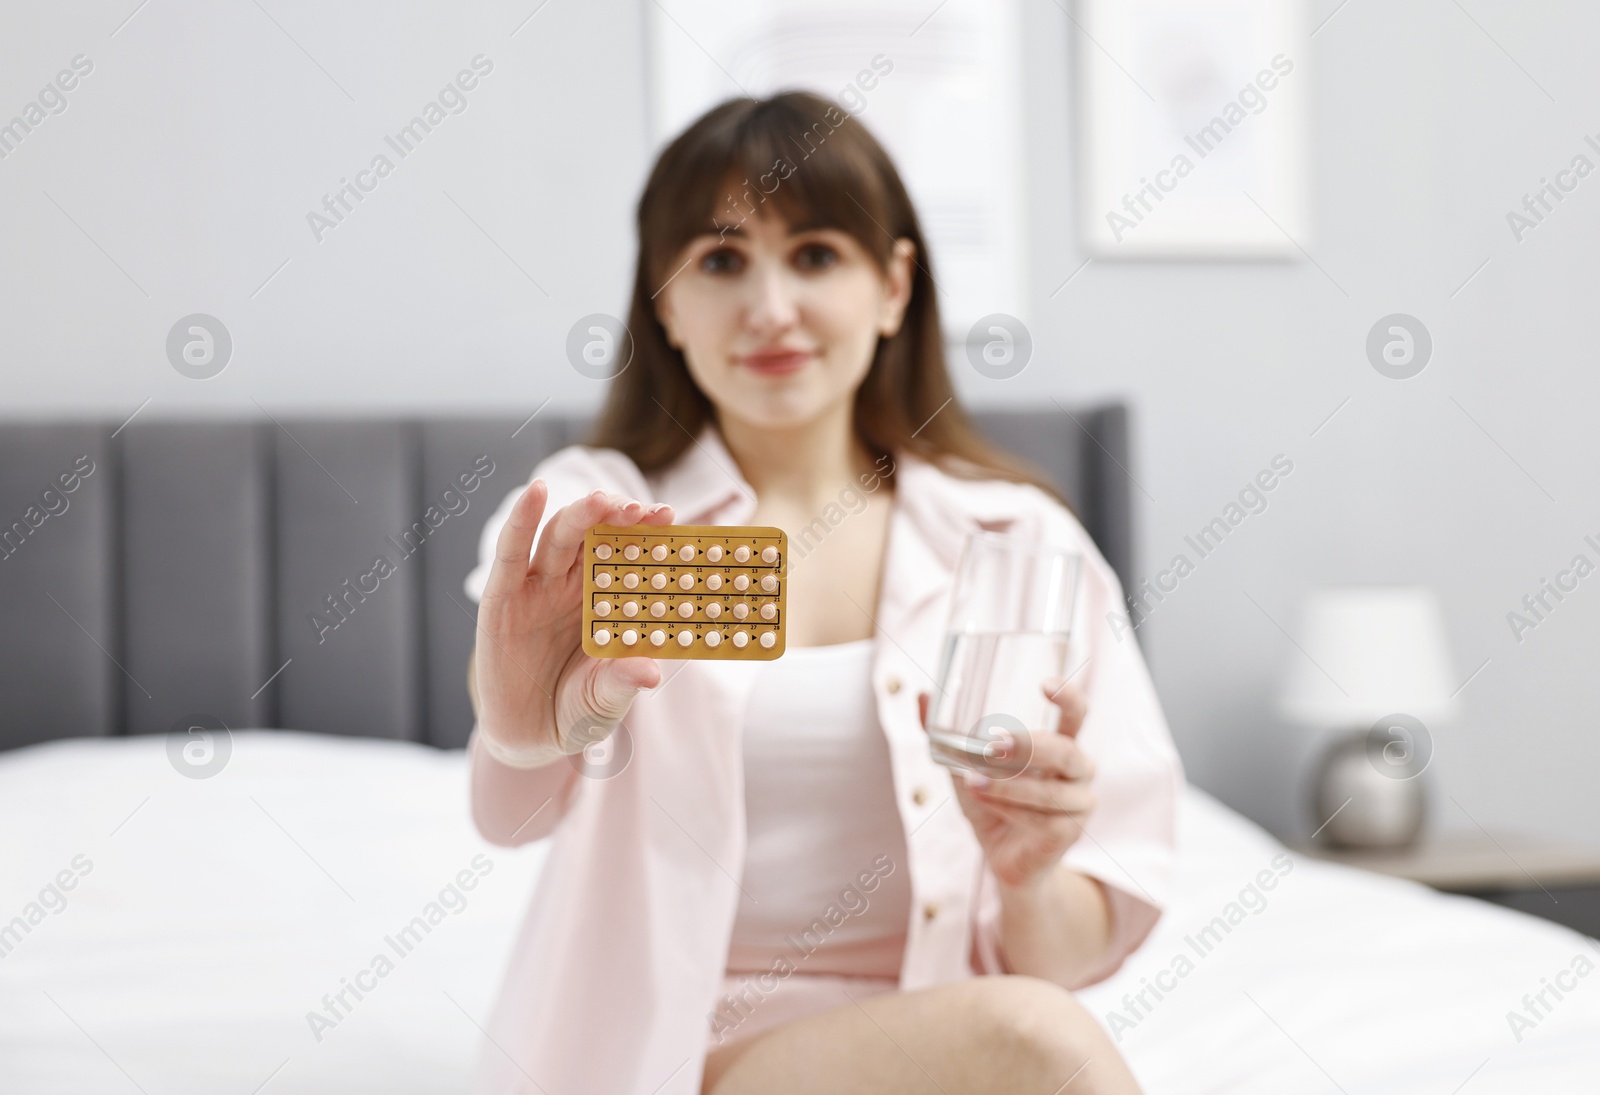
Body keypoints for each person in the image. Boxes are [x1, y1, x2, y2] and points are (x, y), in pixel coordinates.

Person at [461, 90, 1182, 1095]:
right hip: (679, 1062)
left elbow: (1063, 963)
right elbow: (510, 815)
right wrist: (523, 728)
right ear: (665, 303)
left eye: (814, 255)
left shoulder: (1020, 544)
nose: (769, 309)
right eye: (719, 261)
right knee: (1038, 1040)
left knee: (1031, 1026)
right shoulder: (597, 523)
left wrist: (1029, 877)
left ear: (892, 287)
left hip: (942, 1052)